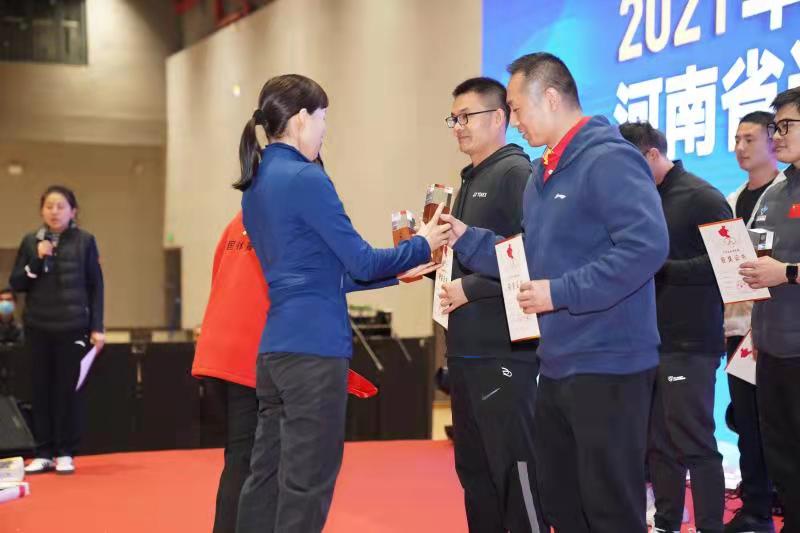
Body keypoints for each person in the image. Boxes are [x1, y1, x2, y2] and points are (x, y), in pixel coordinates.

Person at [442, 52, 669, 532]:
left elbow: (646, 246)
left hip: (611, 362)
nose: (515, 119)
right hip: (558, 362)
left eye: (517, 108)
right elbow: (528, 254)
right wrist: (468, 238)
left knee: (609, 509)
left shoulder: (608, 158)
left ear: (549, 97)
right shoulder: (543, 173)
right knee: (562, 505)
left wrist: (560, 291)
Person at [233, 74, 450, 533]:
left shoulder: (256, 183)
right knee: (306, 484)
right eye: (323, 118)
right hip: (314, 352)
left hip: (275, 352)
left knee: (265, 478)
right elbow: (360, 260)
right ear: (300, 119)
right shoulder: (307, 178)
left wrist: (398, 270)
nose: (325, 129)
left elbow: (322, 274)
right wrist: (423, 243)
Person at [439, 76, 544, 532]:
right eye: (454, 119)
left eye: (467, 116)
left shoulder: (516, 174)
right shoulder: (471, 179)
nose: (459, 126)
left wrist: (473, 288)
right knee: (475, 473)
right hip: (466, 350)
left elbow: (534, 255)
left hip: (504, 350)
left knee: (514, 469)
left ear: (500, 117)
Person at [620, 122, 732, 533]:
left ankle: (709, 526)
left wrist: (663, 270)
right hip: (647, 340)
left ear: (652, 154)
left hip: (690, 340)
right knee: (657, 443)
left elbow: (731, 263)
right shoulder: (640, 199)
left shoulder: (702, 196)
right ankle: (667, 523)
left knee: (694, 441)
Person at [9, 185, 104, 475]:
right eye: (49, 206)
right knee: (40, 391)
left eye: (61, 206)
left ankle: (65, 452)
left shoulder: (85, 241)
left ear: (73, 211)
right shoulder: (31, 241)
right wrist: (37, 259)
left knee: (67, 391)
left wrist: (97, 326)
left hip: (72, 326)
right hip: (38, 326)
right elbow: (16, 283)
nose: (54, 212)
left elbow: (95, 286)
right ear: (42, 210)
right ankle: (43, 452)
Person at [740, 87, 800, 533]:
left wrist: (789, 273)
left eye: (786, 127)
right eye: (775, 128)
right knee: (783, 462)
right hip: (770, 348)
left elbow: (783, 270)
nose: (776, 136)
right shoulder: (775, 191)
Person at [192, 211, 269, 533]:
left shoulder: (239, 221)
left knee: (239, 456)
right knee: (251, 460)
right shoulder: (284, 218)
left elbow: (217, 278)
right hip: (251, 354)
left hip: (219, 350)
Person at [724, 111, 782, 533]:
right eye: (737, 140)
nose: (741, 148)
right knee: (745, 421)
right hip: (738, 329)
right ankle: (756, 507)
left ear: (772, 140)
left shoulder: (786, 194)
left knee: (781, 424)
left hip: (780, 332)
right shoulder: (731, 200)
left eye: (750, 139)